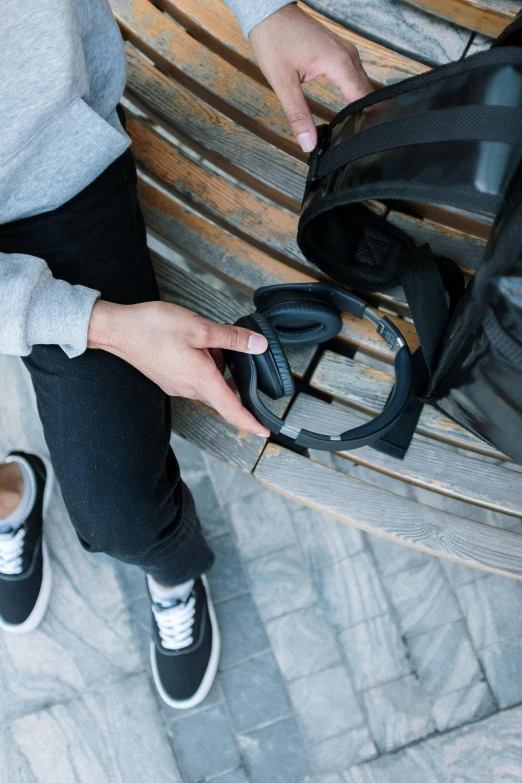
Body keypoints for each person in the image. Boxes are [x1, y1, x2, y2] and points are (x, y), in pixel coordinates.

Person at [0, 0, 371, 709]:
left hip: (49, 167)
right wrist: (103, 326)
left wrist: (263, 9)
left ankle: (170, 568)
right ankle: (9, 496)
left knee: (121, 513)